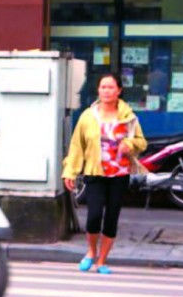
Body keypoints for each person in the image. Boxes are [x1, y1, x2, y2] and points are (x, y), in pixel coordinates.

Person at [62, 74, 147, 274]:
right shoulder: (88, 116)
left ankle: (102, 260)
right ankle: (91, 251)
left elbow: (142, 142)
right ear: (98, 91)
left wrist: (130, 144)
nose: (106, 91)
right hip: (95, 173)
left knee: (111, 218)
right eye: (102, 87)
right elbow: (77, 146)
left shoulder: (129, 117)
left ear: (119, 91)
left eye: (110, 87)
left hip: (119, 174)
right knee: (93, 216)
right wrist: (70, 172)